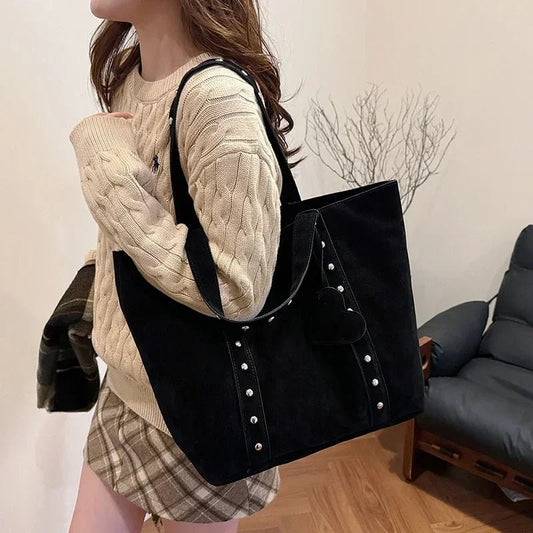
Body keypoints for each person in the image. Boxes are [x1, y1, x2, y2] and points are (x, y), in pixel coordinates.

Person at [67, 0, 304, 532]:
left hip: (205, 408)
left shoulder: (217, 101)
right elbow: (133, 233)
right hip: (127, 389)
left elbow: (235, 289)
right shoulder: (130, 77)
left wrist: (105, 172)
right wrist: (88, 291)